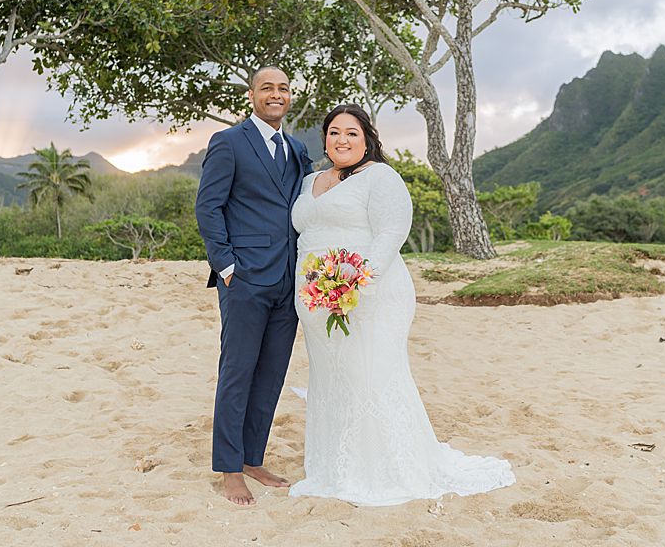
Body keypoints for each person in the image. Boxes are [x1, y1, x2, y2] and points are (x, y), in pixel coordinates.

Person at [288, 103, 515, 506]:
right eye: (335, 131)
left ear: (368, 139)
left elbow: (392, 232)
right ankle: (337, 466)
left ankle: (387, 468)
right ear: (324, 137)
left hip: (369, 293)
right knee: (333, 377)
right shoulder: (309, 181)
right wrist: (323, 289)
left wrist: (354, 284)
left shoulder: (381, 177)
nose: (342, 139)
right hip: (315, 296)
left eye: (352, 133)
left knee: (371, 373)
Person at [195, 66, 313, 506]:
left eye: (283, 88)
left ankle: (251, 458)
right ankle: (229, 469)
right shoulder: (228, 142)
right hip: (243, 278)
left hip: (289, 279)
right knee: (238, 372)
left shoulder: (298, 149)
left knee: (271, 376)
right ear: (252, 96)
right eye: (268, 88)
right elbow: (209, 207)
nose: (276, 94)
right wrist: (226, 266)